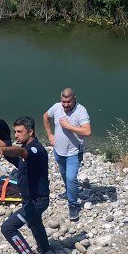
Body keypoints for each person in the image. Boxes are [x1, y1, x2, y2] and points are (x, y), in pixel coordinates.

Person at [0, 116, 50, 254]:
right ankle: (45, 248)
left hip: (37, 201)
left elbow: (22, 152)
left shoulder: (35, 149)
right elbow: (18, 158)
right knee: (34, 223)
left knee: (8, 228)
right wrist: (0, 147)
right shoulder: (26, 150)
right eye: (15, 132)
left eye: (19, 132)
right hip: (29, 200)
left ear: (30, 132)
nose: (16, 135)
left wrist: (4, 149)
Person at [43, 88, 91, 221]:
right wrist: (50, 135)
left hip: (74, 152)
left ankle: (73, 205)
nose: (65, 105)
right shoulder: (56, 107)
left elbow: (87, 131)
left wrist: (68, 126)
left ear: (74, 99)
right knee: (64, 174)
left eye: (68, 102)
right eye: (63, 102)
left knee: (71, 178)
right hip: (58, 150)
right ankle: (69, 191)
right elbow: (45, 117)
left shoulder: (81, 111)